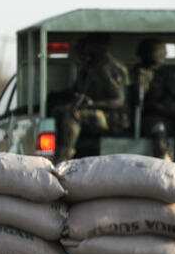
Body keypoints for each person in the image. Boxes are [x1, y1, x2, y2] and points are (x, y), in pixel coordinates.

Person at [54, 34, 130, 162]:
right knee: (60, 110)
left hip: (114, 118)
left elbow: (119, 101)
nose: (84, 49)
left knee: (73, 114)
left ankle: (64, 157)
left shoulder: (109, 69)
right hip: (97, 113)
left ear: (99, 47)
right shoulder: (90, 67)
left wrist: (92, 104)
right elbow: (77, 90)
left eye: (88, 46)